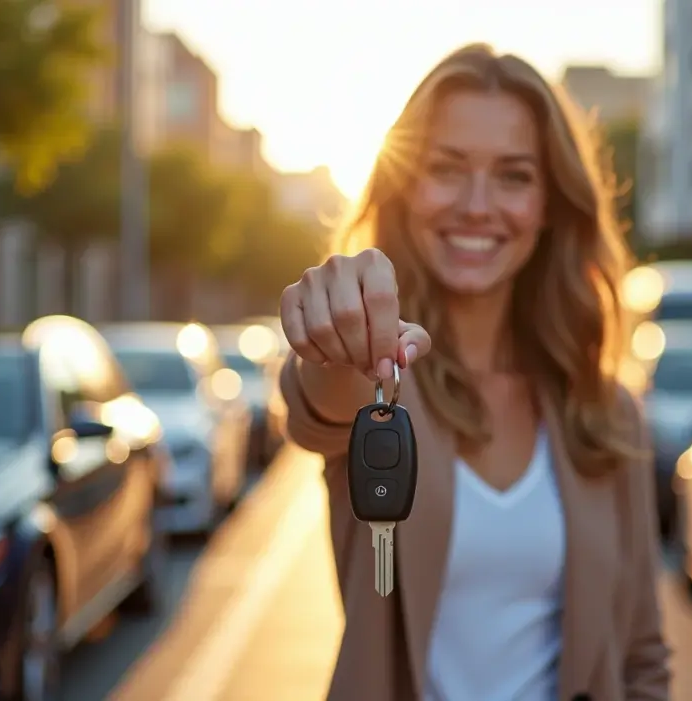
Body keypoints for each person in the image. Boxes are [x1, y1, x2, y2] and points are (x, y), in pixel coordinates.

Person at [278, 43, 670, 701]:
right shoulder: (375, 381)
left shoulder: (607, 412)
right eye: (447, 168)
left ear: (550, 204)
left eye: (514, 175)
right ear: (404, 185)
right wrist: (337, 336)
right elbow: (317, 403)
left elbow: (642, 655)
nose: (477, 205)